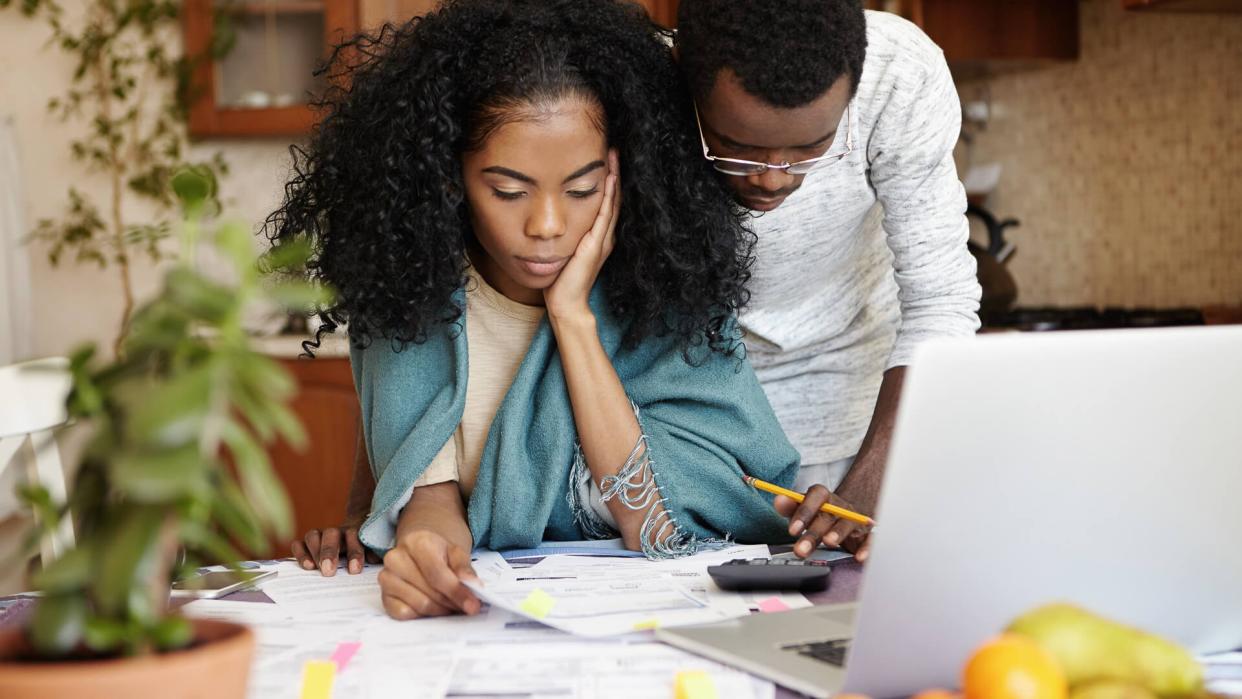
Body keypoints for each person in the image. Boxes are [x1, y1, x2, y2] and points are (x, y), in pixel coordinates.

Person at [266, 0, 801, 619]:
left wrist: (572, 317)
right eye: (508, 190)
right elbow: (431, 498)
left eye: (582, 189)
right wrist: (423, 555)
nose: (546, 225)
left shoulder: (666, 293)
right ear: (450, 177)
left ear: (627, 175)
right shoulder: (411, 293)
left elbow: (656, 519)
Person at [673, 0, 982, 561]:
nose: (773, 180)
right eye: (737, 149)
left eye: (810, 148)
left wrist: (868, 487)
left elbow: (941, 301)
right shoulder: (645, 80)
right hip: (687, 393)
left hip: (854, 395)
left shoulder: (898, 76)